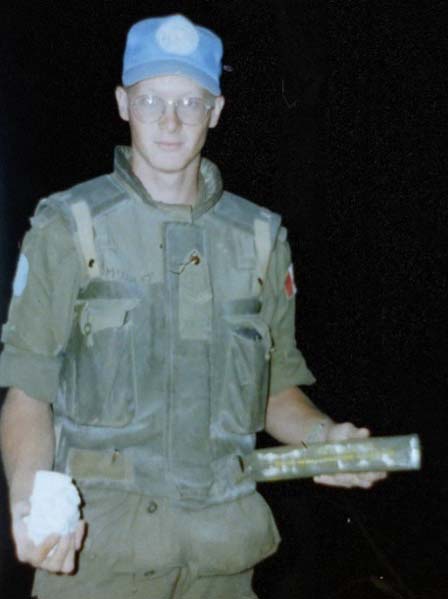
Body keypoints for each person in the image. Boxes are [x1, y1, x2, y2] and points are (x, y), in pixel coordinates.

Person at [0, 14, 385, 599]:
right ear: (124, 103)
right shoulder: (67, 227)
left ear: (217, 109)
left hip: (222, 562)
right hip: (98, 558)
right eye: (153, 100)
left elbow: (275, 389)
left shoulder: (260, 237)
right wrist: (29, 503)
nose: (172, 121)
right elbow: (28, 391)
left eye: (190, 101)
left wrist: (323, 439)